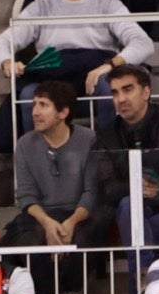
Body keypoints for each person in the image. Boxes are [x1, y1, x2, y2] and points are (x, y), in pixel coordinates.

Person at [0, 0, 155, 148]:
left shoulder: (107, 2)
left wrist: (110, 65)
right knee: (29, 94)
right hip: (55, 78)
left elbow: (143, 43)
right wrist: (7, 62)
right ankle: (39, 160)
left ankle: (112, 157)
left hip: (95, 77)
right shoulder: (42, 5)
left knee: (109, 86)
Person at [92, 62, 159, 248]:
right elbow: (105, 186)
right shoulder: (107, 134)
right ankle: (143, 266)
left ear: (146, 92)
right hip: (123, 209)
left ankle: (140, 266)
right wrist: (134, 188)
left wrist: (158, 190)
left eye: (128, 90)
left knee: (155, 223)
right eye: (115, 93)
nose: (121, 99)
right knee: (130, 206)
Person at [8, 82, 98, 266]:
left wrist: (70, 223)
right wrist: (47, 223)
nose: (35, 112)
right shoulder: (25, 144)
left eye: (43, 105)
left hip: (79, 214)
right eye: (34, 104)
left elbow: (92, 192)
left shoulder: (88, 139)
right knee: (25, 244)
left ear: (63, 112)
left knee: (83, 243)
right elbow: (26, 195)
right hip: (41, 215)